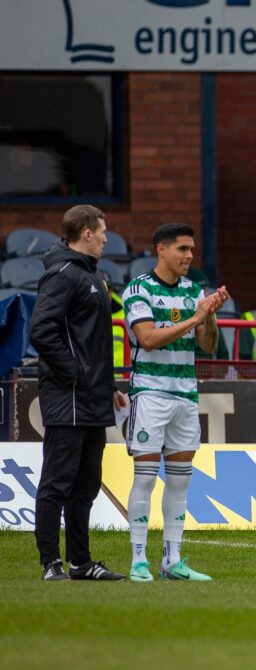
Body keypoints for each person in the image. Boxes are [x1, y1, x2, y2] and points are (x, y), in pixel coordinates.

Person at [122, 223, 229, 582]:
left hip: (185, 394)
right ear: (161, 250)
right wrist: (196, 317)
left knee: (180, 481)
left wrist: (209, 314)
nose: (189, 256)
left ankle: (172, 560)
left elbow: (209, 345)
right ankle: (139, 560)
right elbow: (147, 339)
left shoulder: (193, 291)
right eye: (182, 249)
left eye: (192, 251)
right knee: (146, 478)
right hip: (150, 393)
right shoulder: (138, 290)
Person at [29, 205, 128, 581]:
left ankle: (81, 563)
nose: (106, 237)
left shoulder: (92, 275)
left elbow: (92, 341)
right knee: (57, 480)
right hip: (68, 398)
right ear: (86, 232)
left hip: (91, 396)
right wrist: (74, 375)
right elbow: (41, 331)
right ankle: (50, 563)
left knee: (86, 484)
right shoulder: (63, 274)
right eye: (102, 231)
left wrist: (107, 384)